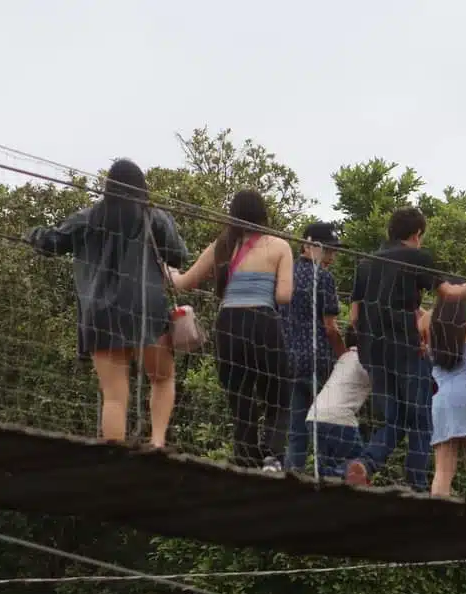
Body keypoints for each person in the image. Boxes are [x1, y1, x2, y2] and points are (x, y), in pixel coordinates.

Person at [344, 207, 466, 490]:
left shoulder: (366, 263)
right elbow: (449, 292)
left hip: (371, 353)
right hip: (405, 349)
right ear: (417, 234)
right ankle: (416, 485)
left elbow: (354, 315)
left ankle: (366, 463)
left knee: (393, 420)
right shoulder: (417, 257)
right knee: (422, 418)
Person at [24, 158, 187, 449]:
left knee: (113, 394)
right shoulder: (153, 217)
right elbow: (177, 254)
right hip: (145, 309)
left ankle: (115, 449)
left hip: (100, 315)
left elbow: (53, 242)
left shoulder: (86, 218)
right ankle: (158, 442)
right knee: (162, 378)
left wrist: (31, 233)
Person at [169, 190, 293, 472]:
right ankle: (272, 457)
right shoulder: (279, 246)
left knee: (240, 397)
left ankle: (245, 460)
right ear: (263, 213)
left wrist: (168, 272)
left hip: (229, 326)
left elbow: (183, 283)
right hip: (264, 323)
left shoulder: (222, 246)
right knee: (278, 394)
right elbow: (284, 295)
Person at [281, 222, 346, 473]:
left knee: (296, 430)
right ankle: (326, 479)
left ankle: (291, 477)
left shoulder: (287, 273)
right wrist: (344, 356)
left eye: (333, 251)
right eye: (327, 250)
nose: (331, 256)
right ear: (307, 245)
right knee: (324, 428)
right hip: (319, 362)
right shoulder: (324, 278)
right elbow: (330, 327)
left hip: (290, 361)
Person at [420, 293, 466, 498]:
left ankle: (439, 522)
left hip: (443, 399)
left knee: (442, 471)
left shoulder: (426, 321)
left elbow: (420, 337)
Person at [305, 328, 371, 478]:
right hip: (339, 420)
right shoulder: (365, 361)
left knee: (327, 469)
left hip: (314, 417)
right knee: (360, 465)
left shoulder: (345, 357)